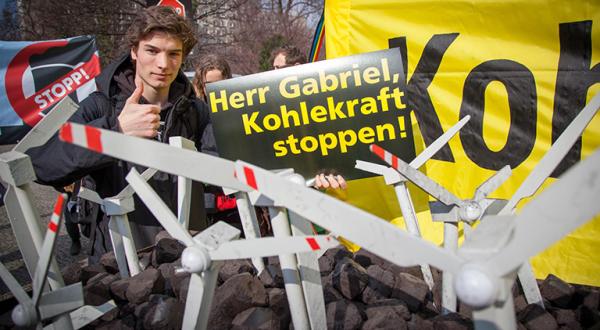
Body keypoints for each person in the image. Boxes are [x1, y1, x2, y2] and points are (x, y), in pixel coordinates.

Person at [27, 6, 216, 262]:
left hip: (187, 255)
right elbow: (41, 164)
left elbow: (222, 170)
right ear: (134, 51)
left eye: (174, 54)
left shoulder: (196, 111)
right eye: (152, 51)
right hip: (119, 259)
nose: (163, 64)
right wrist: (115, 131)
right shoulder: (100, 105)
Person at [271, 45, 347, 190]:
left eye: (278, 68)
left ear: (297, 67)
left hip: (319, 184)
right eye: (272, 68)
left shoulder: (320, 100)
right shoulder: (272, 102)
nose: (272, 73)